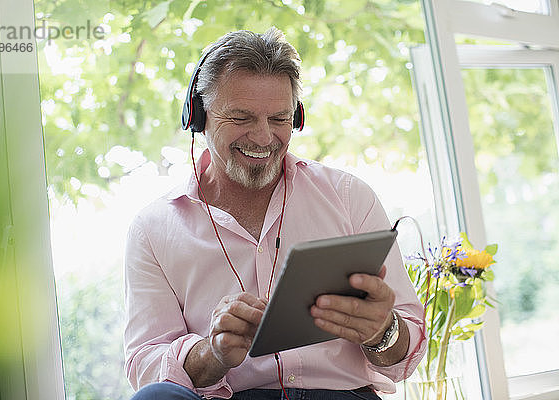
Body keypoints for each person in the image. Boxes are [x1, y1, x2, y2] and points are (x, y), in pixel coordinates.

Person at [124, 27, 425, 400]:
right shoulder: (154, 229)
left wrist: (383, 330)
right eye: (241, 118)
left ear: (296, 117)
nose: (264, 138)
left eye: (279, 119)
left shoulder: (348, 197)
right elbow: (145, 365)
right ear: (199, 116)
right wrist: (212, 352)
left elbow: (406, 355)